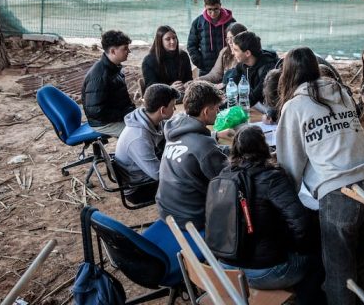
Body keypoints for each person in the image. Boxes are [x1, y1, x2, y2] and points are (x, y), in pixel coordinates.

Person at [275, 47, 364, 305]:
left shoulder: (295, 106)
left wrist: (288, 202)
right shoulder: (342, 93)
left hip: (341, 194)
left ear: (287, 74)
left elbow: (289, 163)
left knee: (338, 276)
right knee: (358, 264)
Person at [212, 126, 311, 291]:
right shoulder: (273, 177)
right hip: (264, 272)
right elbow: (301, 224)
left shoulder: (223, 174)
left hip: (225, 267)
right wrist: (297, 248)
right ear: (263, 146)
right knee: (316, 260)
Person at [156, 81, 234, 229]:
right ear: (206, 111)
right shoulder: (204, 146)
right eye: (216, 109)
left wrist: (229, 150)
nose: (218, 113)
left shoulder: (176, 129)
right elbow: (229, 178)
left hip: (166, 210)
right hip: (191, 218)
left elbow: (205, 149)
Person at [114, 84, 179, 204]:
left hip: (146, 172)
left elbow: (176, 131)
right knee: (192, 182)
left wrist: (214, 135)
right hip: (140, 188)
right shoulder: (138, 138)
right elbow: (159, 175)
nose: (175, 110)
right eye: (173, 106)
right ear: (163, 110)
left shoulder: (149, 118)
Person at [82, 30, 136, 137]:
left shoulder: (114, 67)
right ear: (113, 51)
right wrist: (125, 114)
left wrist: (132, 112)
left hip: (116, 117)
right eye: (125, 48)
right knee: (140, 132)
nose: (128, 51)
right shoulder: (99, 76)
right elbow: (96, 112)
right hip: (102, 123)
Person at [188, 0, 236, 76]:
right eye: (209, 9)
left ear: (220, 5)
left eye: (216, 9)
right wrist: (199, 62)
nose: (213, 13)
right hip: (205, 69)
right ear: (205, 6)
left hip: (227, 67)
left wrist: (233, 61)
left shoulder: (231, 22)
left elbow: (238, 43)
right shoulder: (198, 23)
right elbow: (191, 45)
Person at [228, 31, 279, 108]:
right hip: (254, 104)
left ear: (247, 53)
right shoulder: (242, 65)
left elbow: (256, 96)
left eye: (236, 50)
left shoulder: (267, 69)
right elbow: (232, 84)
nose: (233, 53)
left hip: (270, 109)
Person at [141, 26, 192, 94]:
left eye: (174, 38)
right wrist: (170, 88)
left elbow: (189, 78)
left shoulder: (183, 55)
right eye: (168, 39)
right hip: (162, 97)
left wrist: (187, 84)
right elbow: (151, 89)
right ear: (160, 41)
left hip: (182, 94)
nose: (173, 41)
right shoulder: (149, 61)